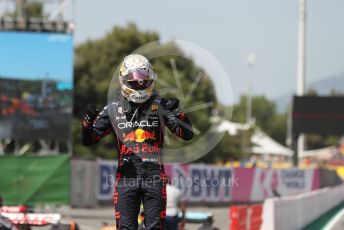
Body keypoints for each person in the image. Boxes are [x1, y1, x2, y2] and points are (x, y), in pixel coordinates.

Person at [82, 54, 194, 230]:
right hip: (126, 177)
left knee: (155, 227)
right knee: (125, 228)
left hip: (154, 176)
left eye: (144, 80)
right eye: (135, 81)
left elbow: (187, 134)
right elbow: (88, 140)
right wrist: (87, 121)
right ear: (124, 80)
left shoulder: (160, 103)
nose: (140, 85)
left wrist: (179, 113)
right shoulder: (113, 106)